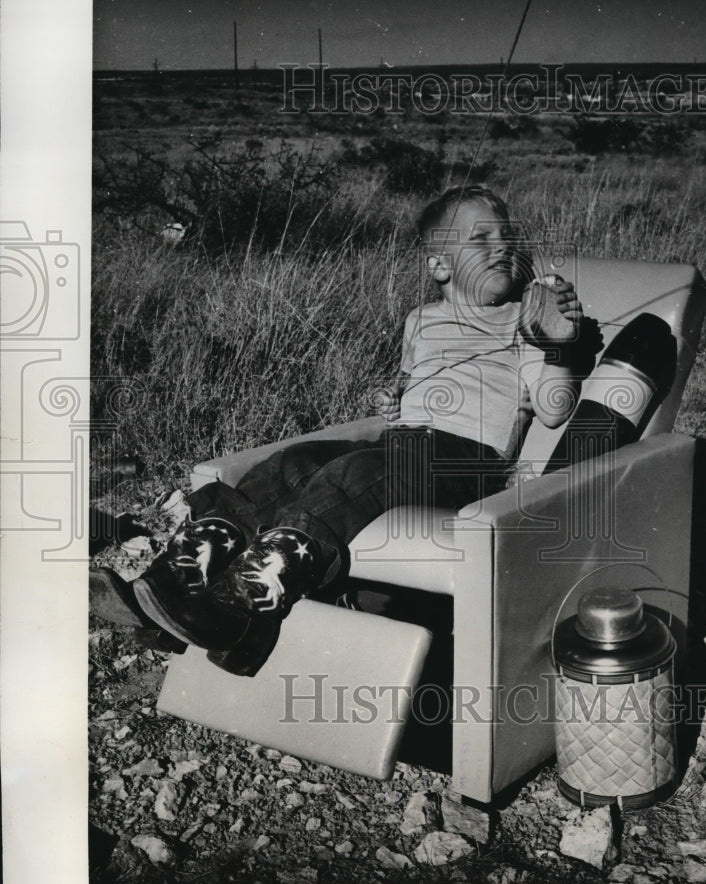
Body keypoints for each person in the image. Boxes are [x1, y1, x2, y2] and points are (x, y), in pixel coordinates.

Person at [127, 185, 583, 676]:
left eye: (508, 236)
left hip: (463, 460)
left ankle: (245, 610)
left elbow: (554, 409)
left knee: (354, 473)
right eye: (481, 238)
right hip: (400, 445)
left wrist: (558, 344)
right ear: (440, 267)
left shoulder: (525, 320)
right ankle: (179, 582)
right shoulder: (421, 320)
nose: (502, 246)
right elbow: (414, 383)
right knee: (292, 463)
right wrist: (393, 399)